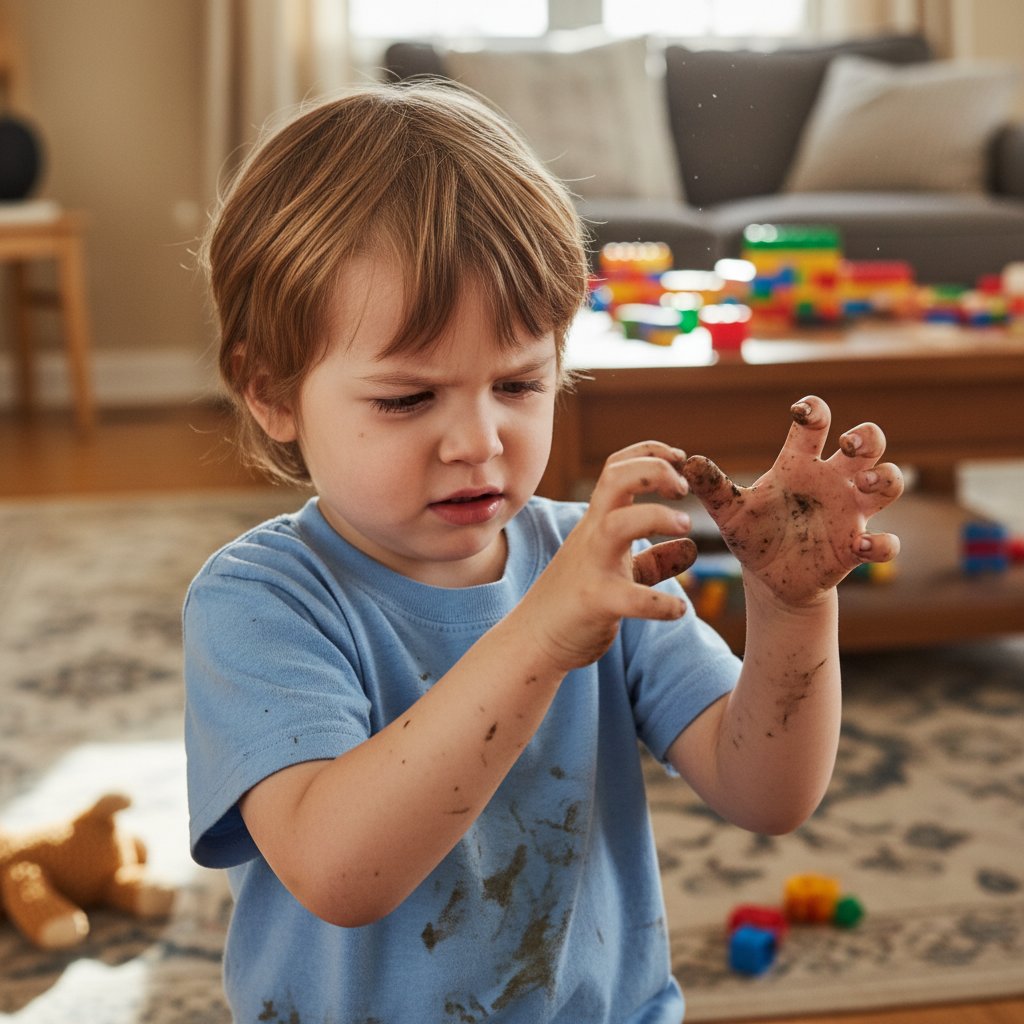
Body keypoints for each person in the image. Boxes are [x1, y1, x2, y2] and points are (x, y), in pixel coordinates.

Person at [183, 81, 904, 1024]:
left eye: (521, 383)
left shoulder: (587, 563)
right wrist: (544, 633)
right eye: (407, 399)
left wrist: (794, 610)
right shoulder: (260, 600)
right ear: (271, 391)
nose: (477, 440)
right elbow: (341, 873)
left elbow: (766, 790)